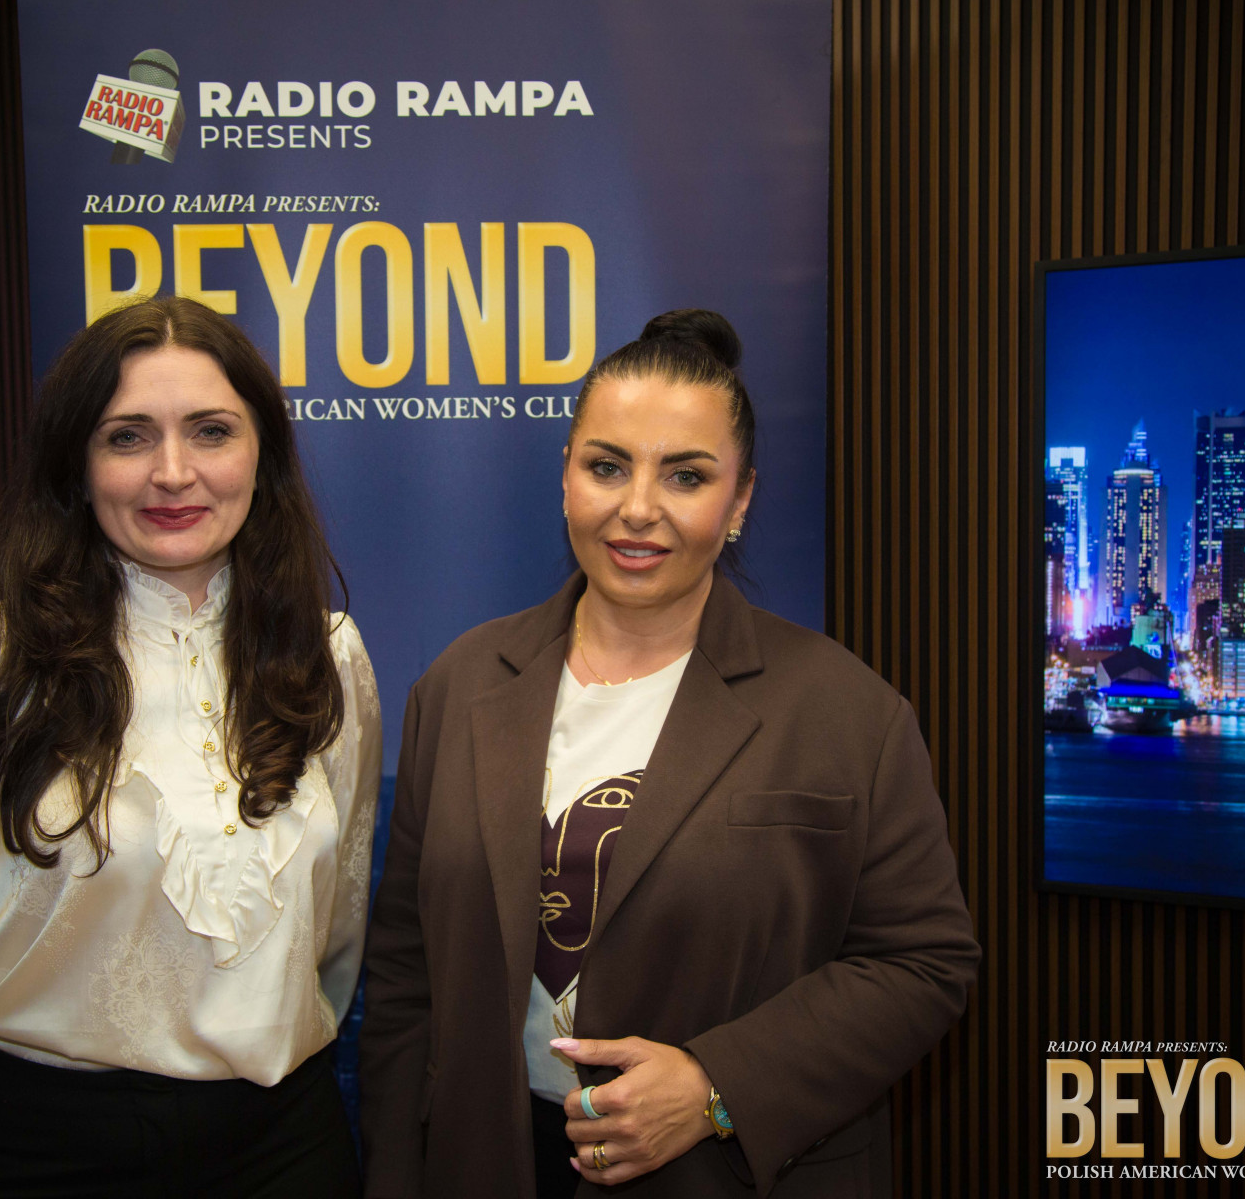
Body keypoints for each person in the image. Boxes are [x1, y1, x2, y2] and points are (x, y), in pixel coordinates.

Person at [358, 310, 979, 1198]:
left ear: (741, 500)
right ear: (565, 477)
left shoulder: (848, 712)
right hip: (485, 1162)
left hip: (721, 1174)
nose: (638, 508)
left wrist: (717, 1087)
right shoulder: (459, 685)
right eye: (607, 466)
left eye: (686, 475)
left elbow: (923, 966)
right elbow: (404, 974)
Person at [0, 296, 380, 1198]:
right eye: (127, 437)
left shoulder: (326, 657)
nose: (173, 472)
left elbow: (339, 922)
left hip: (285, 1143)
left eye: (211, 431)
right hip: (46, 1150)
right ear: (77, 466)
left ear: (263, 458)